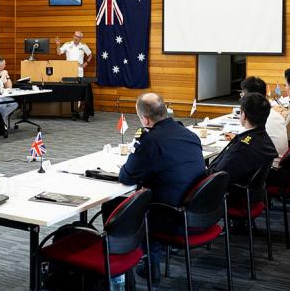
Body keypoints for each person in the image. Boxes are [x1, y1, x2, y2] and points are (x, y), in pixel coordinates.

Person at [106, 93, 205, 282]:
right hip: (196, 208)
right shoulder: (189, 134)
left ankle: (141, 264)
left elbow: (126, 176)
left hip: (171, 215)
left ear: (145, 119)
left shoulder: (150, 140)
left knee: (115, 207)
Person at [209, 92, 277, 190]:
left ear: (243, 115)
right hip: (251, 192)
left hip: (229, 194)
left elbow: (217, 176)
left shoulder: (241, 147)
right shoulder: (263, 137)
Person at [241, 76, 288, 158]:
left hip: (268, 166)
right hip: (278, 162)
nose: (241, 97)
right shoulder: (274, 114)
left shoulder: (258, 118)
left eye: (243, 95)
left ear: (250, 98)